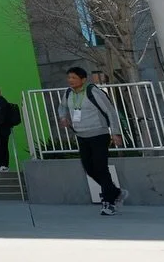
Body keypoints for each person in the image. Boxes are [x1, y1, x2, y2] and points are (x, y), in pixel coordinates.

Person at [57, 66, 126, 216]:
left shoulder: (93, 92)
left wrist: (115, 133)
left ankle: (109, 202)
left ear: (83, 79)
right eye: (69, 78)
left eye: (74, 78)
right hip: (81, 135)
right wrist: (63, 117)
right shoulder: (68, 93)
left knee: (101, 168)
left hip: (98, 134)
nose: (70, 81)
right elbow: (62, 107)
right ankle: (116, 192)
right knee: (89, 168)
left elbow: (110, 111)